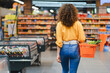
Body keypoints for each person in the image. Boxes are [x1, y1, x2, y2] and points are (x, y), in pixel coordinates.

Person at [56, 4, 86, 73]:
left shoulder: (59, 24)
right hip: (75, 48)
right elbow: (82, 38)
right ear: (74, 13)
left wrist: (58, 54)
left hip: (63, 49)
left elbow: (59, 41)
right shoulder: (78, 23)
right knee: (73, 71)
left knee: (65, 70)